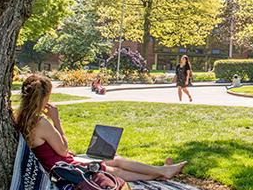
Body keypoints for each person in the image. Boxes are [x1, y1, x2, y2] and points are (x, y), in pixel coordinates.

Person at [15, 75, 187, 181]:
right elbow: (63, 150)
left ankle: (163, 172)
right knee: (115, 169)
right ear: (44, 97)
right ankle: (163, 173)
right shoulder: (42, 123)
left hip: (56, 164)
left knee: (115, 159)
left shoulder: (20, 118)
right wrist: (57, 121)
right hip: (63, 168)